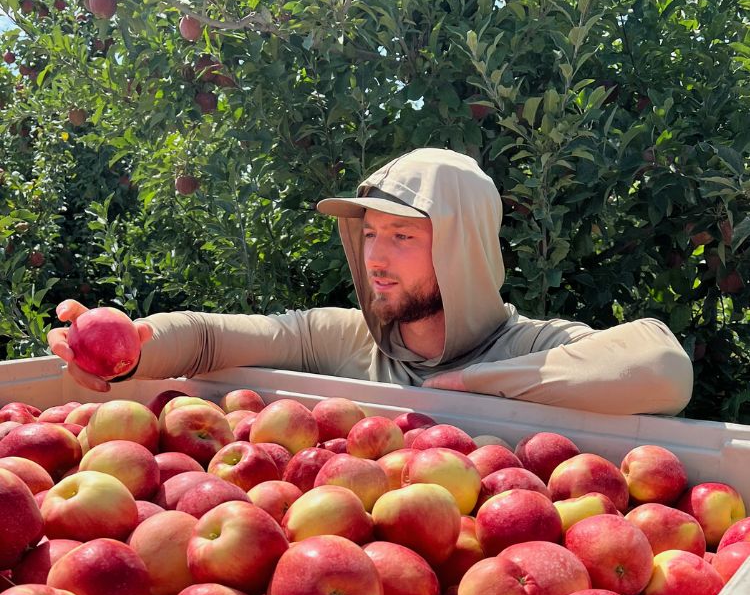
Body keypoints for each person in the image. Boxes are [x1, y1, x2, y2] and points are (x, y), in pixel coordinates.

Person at [48, 147, 694, 415]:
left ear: (464, 250)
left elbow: (662, 365)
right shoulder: (349, 338)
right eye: (370, 234)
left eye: (404, 236)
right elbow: (210, 340)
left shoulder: (531, 346)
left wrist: (464, 389)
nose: (376, 257)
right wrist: (132, 346)